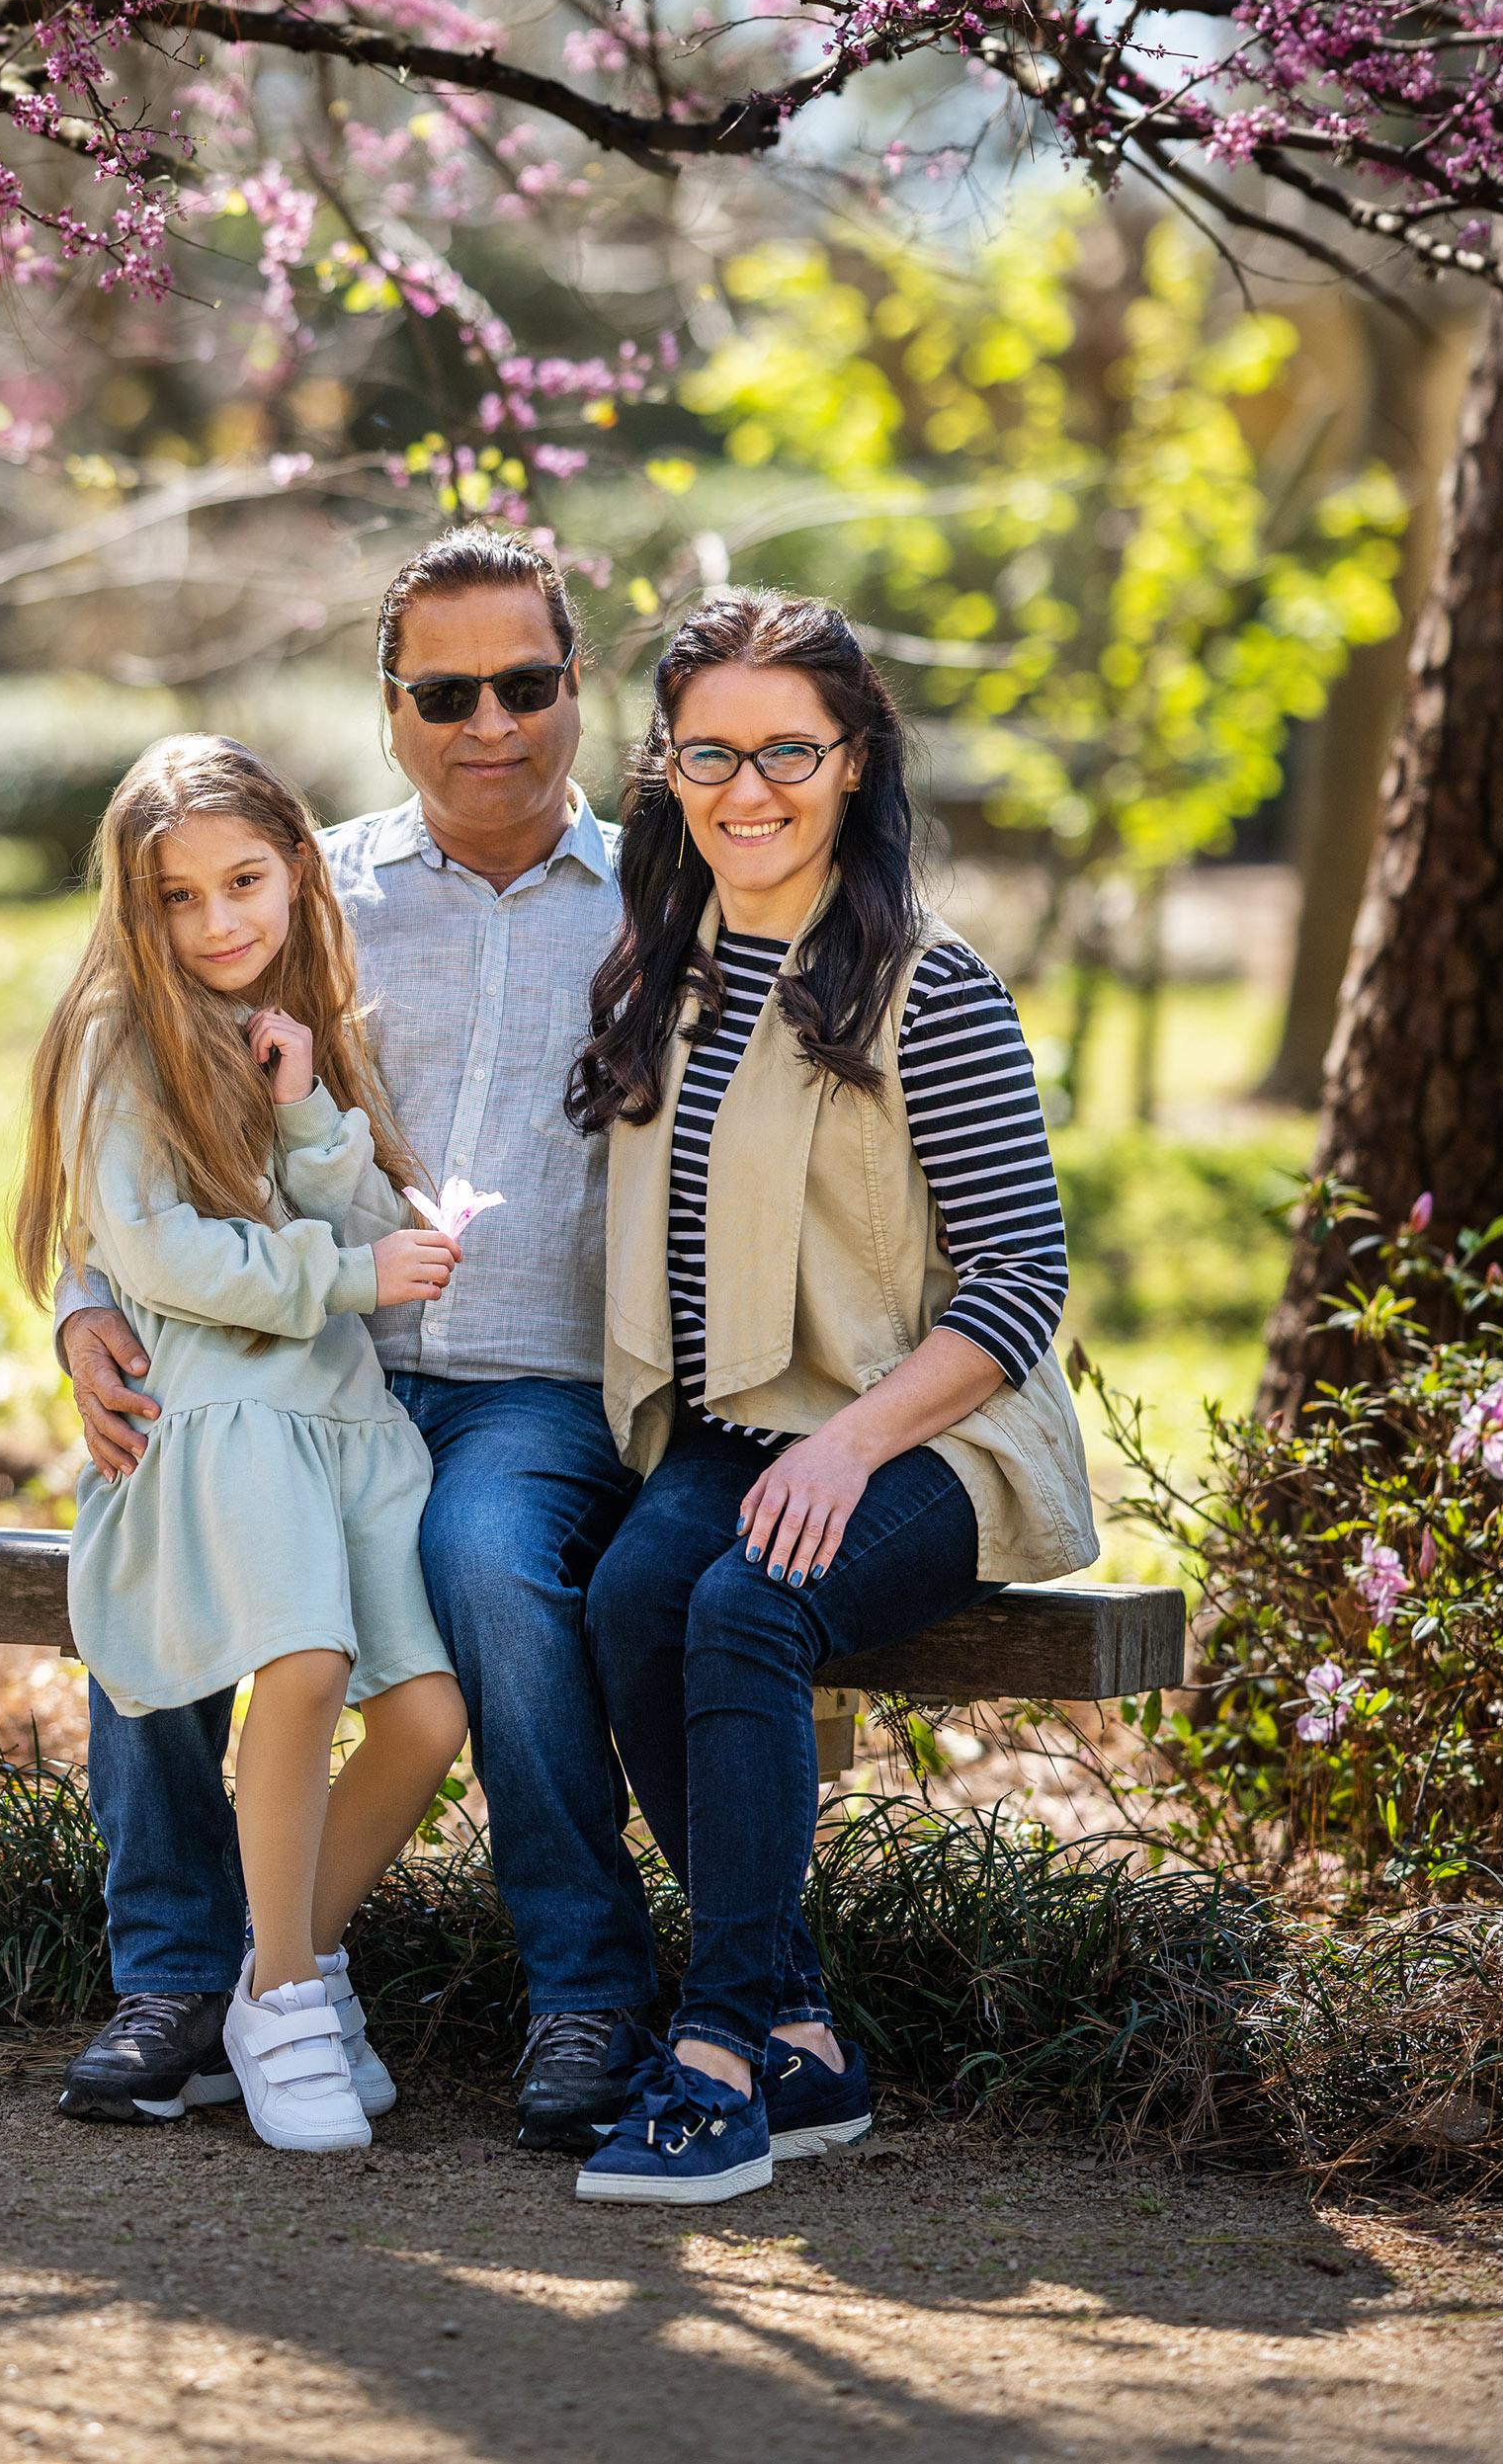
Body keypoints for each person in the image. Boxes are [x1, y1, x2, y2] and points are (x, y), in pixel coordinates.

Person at [55, 530, 661, 2147]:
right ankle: (184, 1980)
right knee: (170, 1515)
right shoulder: (282, 883)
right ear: (390, 706)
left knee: (482, 1569)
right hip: (292, 1360)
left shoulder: (659, 909)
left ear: (575, 690)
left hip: (526, 1389)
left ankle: (586, 1992)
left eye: (524, 685)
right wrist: (83, 1305)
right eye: (446, 690)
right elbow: (133, 1136)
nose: (489, 722)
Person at [564, 591, 1097, 2206]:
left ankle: (720, 2054)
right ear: (665, 769)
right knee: (633, 1594)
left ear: (853, 763)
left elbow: (1021, 1280)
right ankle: (798, 2020)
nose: (750, 788)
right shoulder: (664, 971)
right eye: (710, 752)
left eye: (788, 749)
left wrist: (855, 1442)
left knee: (744, 1605)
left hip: (931, 1430)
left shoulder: (928, 987)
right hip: (738, 1425)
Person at [14, 734, 467, 2152]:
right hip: (224, 1413)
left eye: (245, 882)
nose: (218, 923)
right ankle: (270, 1989)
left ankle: (284, 1972)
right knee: (308, 1661)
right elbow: (151, 1249)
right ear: (134, 909)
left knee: (426, 1713)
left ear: (296, 869)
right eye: (178, 897)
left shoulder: (292, 1022)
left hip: (342, 1419)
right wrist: (343, 1278)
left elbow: (360, 1220)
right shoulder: (116, 1037)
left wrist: (307, 1104)